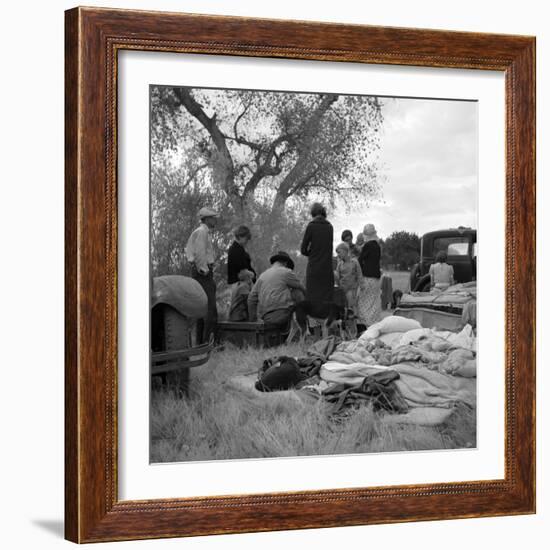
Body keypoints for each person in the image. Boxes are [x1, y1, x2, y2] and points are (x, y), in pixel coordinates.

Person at [184, 207, 219, 343]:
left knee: (202, 308)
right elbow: (199, 253)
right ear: (207, 219)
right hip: (203, 273)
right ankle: (209, 342)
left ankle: (200, 342)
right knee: (210, 309)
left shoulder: (202, 232)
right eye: (213, 217)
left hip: (202, 272)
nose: (215, 219)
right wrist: (204, 270)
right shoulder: (202, 232)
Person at [248, 251, 306, 329]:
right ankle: (305, 326)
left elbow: (251, 299)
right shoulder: (286, 272)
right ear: (285, 263)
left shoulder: (262, 276)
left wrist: (253, 321)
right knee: (297, 292)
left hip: (267, 318)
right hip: (282, 315)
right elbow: (302, 288)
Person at [300, 202, 334, 304]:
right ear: (324, 213)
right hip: (327, 268)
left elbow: (303, 249)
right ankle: (324, 318)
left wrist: (312, 253)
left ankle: (313, 319)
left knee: (312, 296)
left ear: (313, 213)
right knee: (326, 297)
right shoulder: (330, 227)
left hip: (314, 268)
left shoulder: (311, 226)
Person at [357, 223, 382, 328]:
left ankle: (365, 324)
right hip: (376, 278)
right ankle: (374, 324)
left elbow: (360, 260)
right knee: (374, 301)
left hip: (367, 277)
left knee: (363, 301)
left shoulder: (367, 245)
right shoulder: (377, 246)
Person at [334, 242, 361, 314]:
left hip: (352, 290)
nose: (338, 255)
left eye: (339, 252)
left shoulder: (354, 262)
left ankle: (353, 322)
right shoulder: (340, 264)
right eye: (337, 253)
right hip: (343, 290)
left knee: (352, 308)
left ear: (345, 251)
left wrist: (359, 288)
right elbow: (337, 277)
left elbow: (359, 275)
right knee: (344, 309)